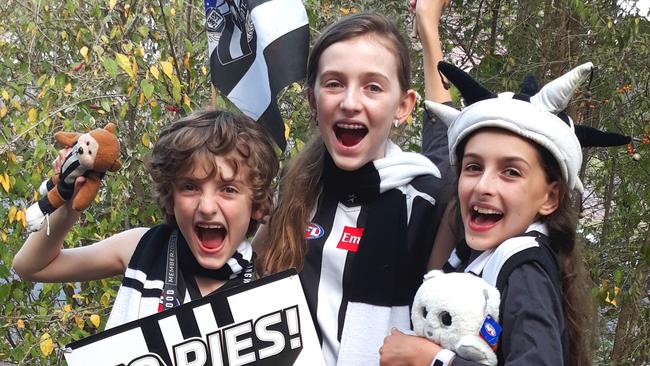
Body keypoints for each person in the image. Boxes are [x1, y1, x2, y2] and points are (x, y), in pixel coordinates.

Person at [380, 57, 633, 364]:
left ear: (550, 198)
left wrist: (432, 360)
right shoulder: (480, 253)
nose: (483, 185)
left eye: (511, 172)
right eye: (473, 167)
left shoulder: (524, 269)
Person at [256, 8, 454, 365]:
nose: (349, 103)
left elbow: (447, 140)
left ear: (403, 106)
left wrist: (429, 32)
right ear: (313, 101)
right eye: (333, 83)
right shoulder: (294, 190)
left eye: (373, 87)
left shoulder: (427, 202)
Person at [12, 109, 279, 328]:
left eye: (228, 189)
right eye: (190, 187)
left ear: (256, 205)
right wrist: (69, 203)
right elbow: (31, 267)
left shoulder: (268, 284)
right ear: (170, 197)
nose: (207, 207)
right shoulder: (142, 247)